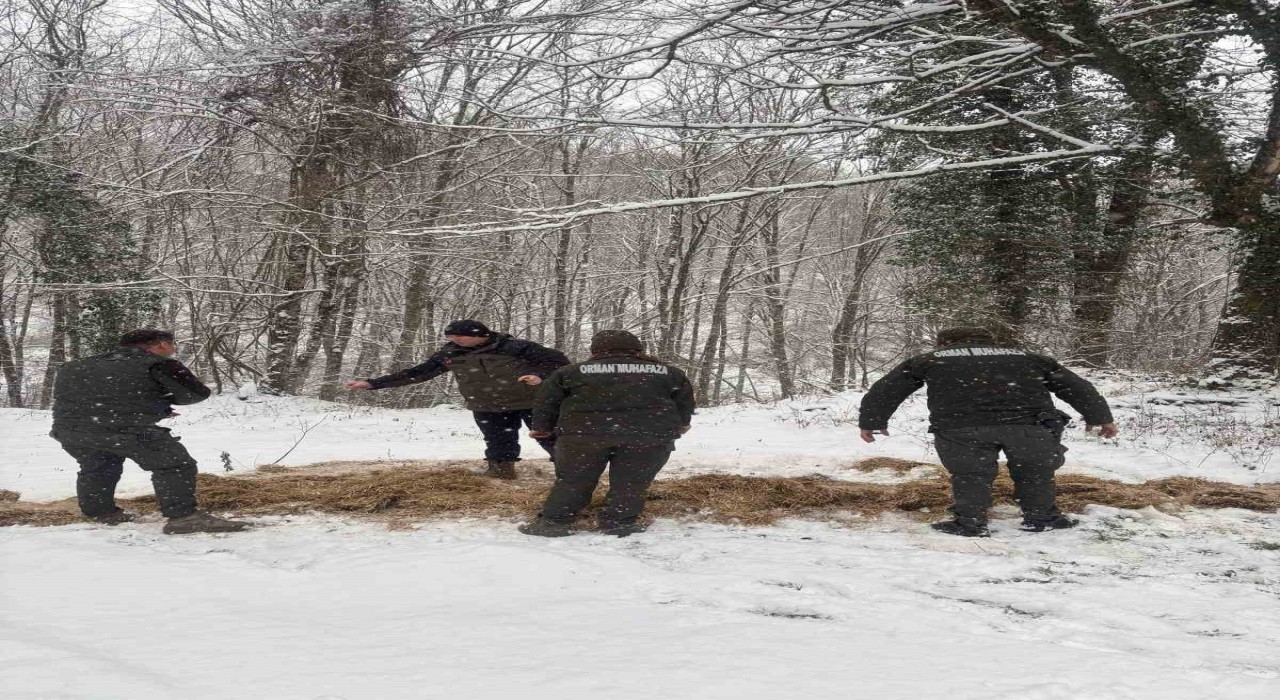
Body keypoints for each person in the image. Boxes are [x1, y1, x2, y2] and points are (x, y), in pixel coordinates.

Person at [858, 327, 1118, 538]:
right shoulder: (1026, 357)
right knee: (1034, 471)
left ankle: (970, 523)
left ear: (945, 343)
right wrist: (1101, 418)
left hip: (962, 427)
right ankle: (1042, 518)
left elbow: (886, 390)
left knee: (971, 473)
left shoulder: (930, 360)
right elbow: (1078, 387)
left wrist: (873, 420)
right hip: (1028, 425)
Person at [50, 329, 249, 534]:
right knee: (175, 464)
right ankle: (184, 517)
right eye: (172, 344)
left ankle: (100, 512)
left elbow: (95, 396)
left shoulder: (75, 366)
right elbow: (196, 394)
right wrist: (163, 399)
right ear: (161, 344)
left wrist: (154, 405)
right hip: (128, 431)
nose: (173, 349)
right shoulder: (158, 363)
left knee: (99, 465)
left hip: (72, 431)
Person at [519, 330, 695, 538]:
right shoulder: (669, 372)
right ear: (638, 348)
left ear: (596, 349)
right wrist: (682, 424)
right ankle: (618, 522)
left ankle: (554, 522)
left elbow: (547, 402)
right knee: (631, 481)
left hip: (583, 436)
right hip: (647, 436)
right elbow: (684, 402)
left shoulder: (572, 372)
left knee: (574, 479)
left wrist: (542, 427)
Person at [347, 320, 569, 479]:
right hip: (486, 404)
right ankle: (501, 470)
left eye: (459, 336)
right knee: (497, 439)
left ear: (478, 334)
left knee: (549, 435)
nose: (454, 340)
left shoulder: (516, 347)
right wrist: (373, 383)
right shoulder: (450, 354)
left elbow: (558, 362)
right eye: (450, 337)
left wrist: (539, 376)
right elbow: (419, 372)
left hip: (531, 400)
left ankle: (570, 471)